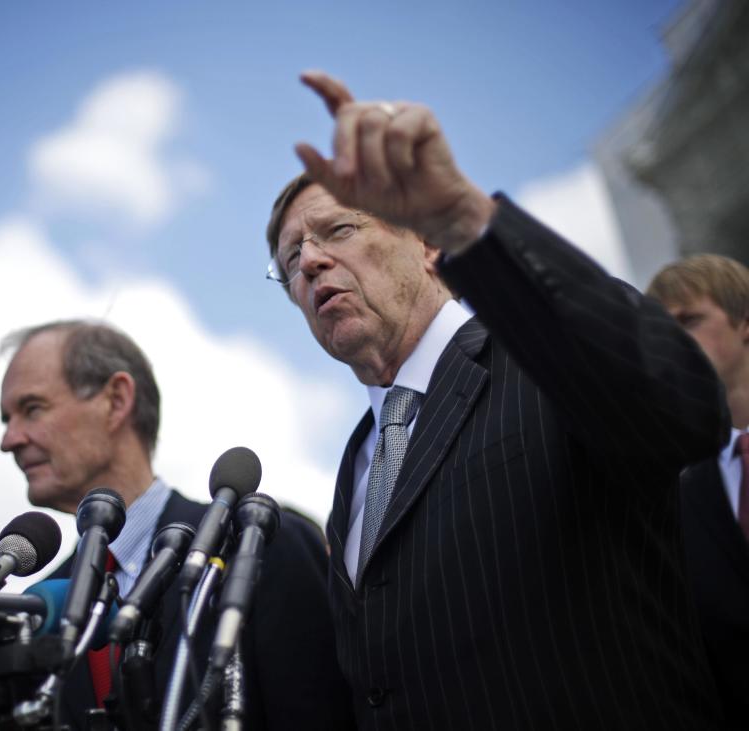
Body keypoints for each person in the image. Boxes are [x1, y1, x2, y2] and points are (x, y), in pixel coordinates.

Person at [262, 71, 729, 730]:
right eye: (290, 260)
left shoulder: (540, 357)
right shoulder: (357, 466)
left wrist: (463, 216)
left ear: (425, 244)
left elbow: (680, 407)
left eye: (337, 229)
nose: (308, 261)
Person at [0, 320, 354, 730]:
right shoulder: (39, 609)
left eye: (32, 409)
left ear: (116, 400)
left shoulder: (260, 547)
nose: (9, 439)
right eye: (7, 418)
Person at [647, 255, 749, 729]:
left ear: (744, 323)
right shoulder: (673, 489)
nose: (675, 340)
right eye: (661, 328)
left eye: (690, 320)